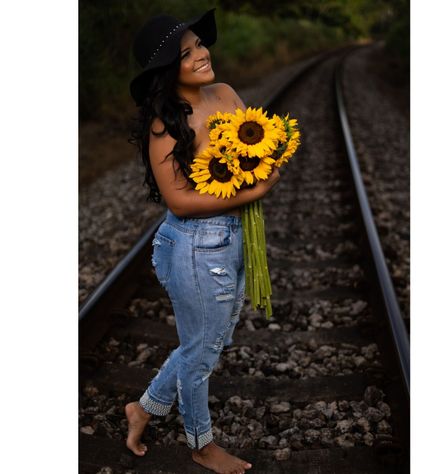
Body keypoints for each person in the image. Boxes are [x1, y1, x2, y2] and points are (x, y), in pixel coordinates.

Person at [125, 8, 280, 474]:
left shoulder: (227, 93)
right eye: (186, 53)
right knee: (201, 350)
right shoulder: (164, 124)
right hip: (196, 245)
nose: (201, 55)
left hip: (231, 237)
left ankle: (145, 407)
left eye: (199, 45)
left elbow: (249, 150)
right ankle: (200, 443)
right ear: (167, 70)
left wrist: (266, 158)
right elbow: (180, 200)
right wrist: (255, 189)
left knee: (209, 340)